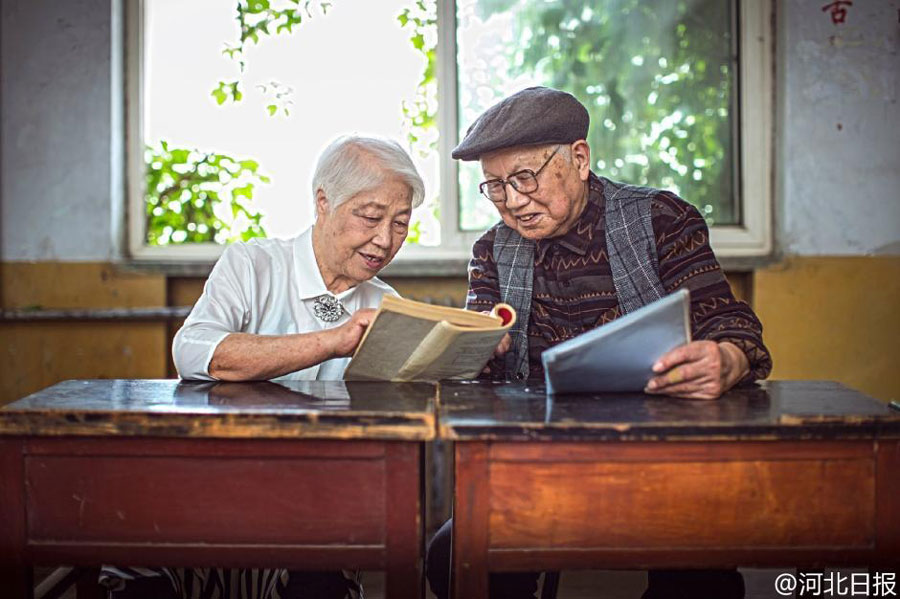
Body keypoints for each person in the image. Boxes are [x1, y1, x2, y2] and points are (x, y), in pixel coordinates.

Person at [425, 87, 772, 598]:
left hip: (660, 460)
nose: (514, 202)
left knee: (702, 576)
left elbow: (732, 325)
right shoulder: (493, 250)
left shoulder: (661, 221)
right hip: (540, 464)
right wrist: (473, 348)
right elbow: (478, 363)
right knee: (452, 558)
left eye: (525, 178)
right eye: (495, 187)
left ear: (580, 159)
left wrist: (727, 358)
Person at [107, 135, 425, 599]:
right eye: (372, 217)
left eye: (400, 224)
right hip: (216, 479)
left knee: (320, 577)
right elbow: (194, 351)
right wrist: (333, 342)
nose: (385, 239)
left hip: (320, 498)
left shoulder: (386, 304)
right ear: (323, 202)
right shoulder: (252, 265)